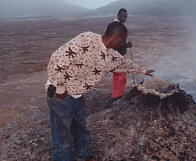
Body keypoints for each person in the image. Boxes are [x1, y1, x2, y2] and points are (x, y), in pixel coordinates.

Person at [46, 21, 155, 161]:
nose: (122, 44)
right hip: (62, 95)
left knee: (81, 130)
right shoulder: (87, 39)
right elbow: (57, 59)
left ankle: (81, 157)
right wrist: (59, 87)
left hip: (78, 95)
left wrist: (143, 70)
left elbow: (123, 63)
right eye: (122, 40)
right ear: (115, 37)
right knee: (63, 137)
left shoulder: (110, 54)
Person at [111, 8, 132, 100]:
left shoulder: (115, 25)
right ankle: (117, 96)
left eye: (126, 16)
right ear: (118, 15)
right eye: (123, 16)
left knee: (117, 74)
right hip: (117, 55)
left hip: (115, 55)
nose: (124, 18)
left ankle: (115, 94)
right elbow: (114, 43)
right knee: (121, 75)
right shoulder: (117, 27)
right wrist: (126, 45)